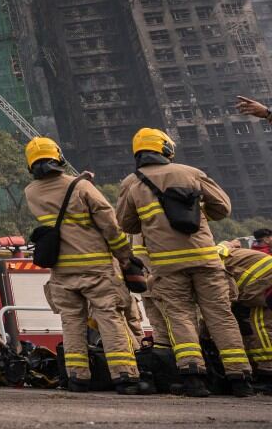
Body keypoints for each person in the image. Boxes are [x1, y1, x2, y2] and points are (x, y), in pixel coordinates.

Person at [115, 128, 252, 397]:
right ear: (165, 148)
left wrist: (152, 221)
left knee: (180, 318)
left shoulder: (132, 183)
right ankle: (240, 378)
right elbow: (223, 208)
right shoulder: (191, 173)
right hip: (205, 259)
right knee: (221, 316)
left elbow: (125, 223)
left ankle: (193, 379)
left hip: (166, 265)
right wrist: (200, 215)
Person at [23, 137, 150, 395]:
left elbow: (59, 202)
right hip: (96, 269)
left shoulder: (31, 192)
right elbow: (110, 225)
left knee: (71, 324)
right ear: (57, 157)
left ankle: (77, 378)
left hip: (61, 273)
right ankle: (125, 376)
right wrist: (124, 256)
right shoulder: (80, 187)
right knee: (110, 320)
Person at [217, 240, 272, 393]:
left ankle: (268, 374)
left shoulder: (212, 259)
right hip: (262, 285)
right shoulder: (222, 252)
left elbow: (222, 303)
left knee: (261, 326)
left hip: (266, 283)